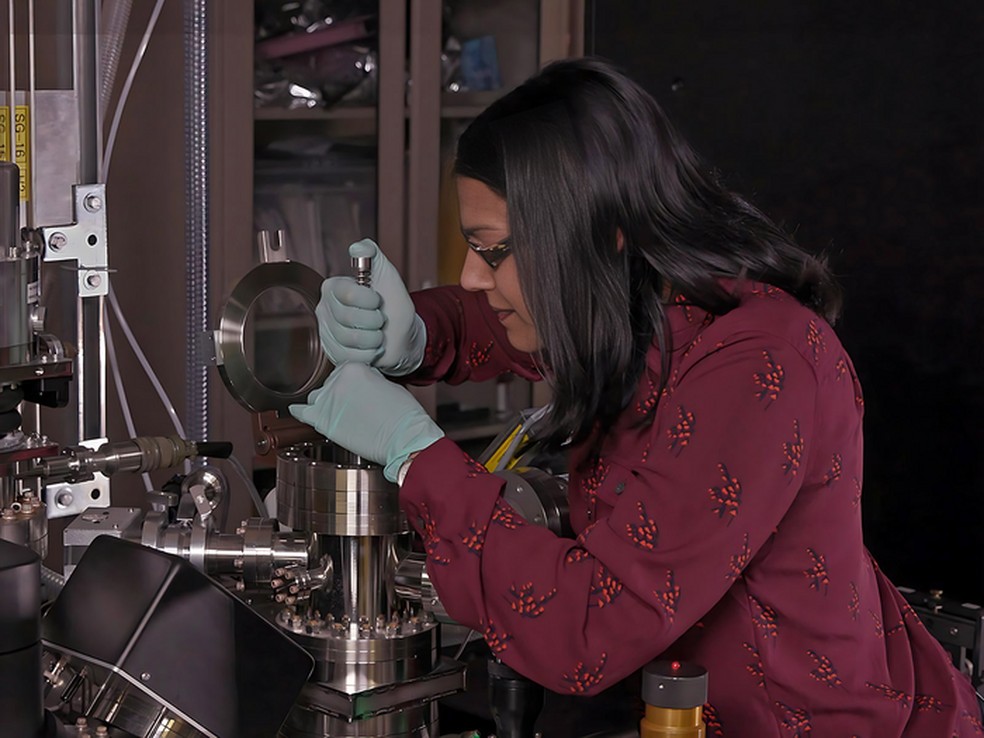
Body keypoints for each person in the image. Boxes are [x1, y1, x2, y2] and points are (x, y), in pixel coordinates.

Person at [289, 57, 981, 736]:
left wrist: (419, 458)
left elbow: (588, 628)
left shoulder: (761, 368)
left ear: (604, 232)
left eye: (493, 250)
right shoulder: (638, 304)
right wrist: (414, 332)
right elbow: (535, 319)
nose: (472, 277)